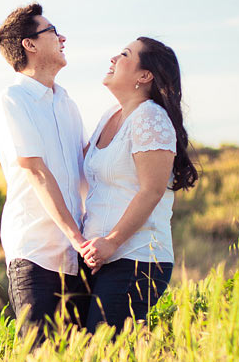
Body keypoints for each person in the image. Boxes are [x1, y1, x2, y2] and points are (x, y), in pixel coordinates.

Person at [78, 37, 199, 331]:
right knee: (90, 358)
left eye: (124, 54)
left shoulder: (150, 116)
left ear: (145, 76)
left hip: (137, 259)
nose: (113, 58)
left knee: (102, 355)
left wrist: (112, 242)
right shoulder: (110, 115)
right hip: (99, 257)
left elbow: (152, 190)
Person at [0, 3, 91, 345]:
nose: (62, 37)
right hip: (35, 255)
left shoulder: (67, 103)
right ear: (29, 44)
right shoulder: (12, 99)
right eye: (52, 31)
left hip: (78, 258)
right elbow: (35, 170)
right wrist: (77, 237)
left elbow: (87, 170)